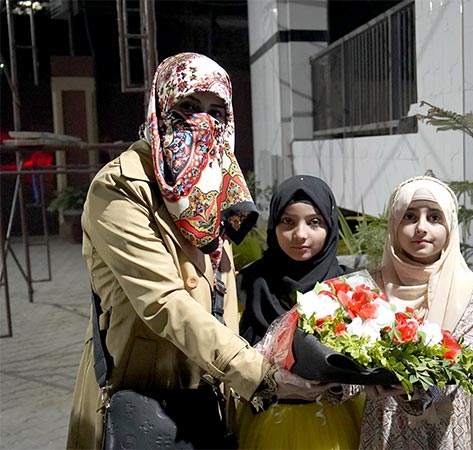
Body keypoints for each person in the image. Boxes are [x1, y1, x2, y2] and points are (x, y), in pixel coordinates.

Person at [66, 52, 324, 450]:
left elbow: (224, 300)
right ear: (161, 106)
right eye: (188, 106)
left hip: (206, 401)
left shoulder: (216, 188)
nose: (203, 122)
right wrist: (257, 374)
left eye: (216, 112)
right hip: (138, 399)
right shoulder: (120, 187)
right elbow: (163, 302)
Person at [359, 176, 473, 450]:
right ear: (394, 224)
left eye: (434, 217)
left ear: (450, 226)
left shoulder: (466, 290)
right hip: (384, 427)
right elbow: (354, 358)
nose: (421, 228)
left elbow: (461, 366)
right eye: (409, 217)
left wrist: (414, 393)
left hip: (442, 428)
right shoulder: (370, 286)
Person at [235, 174, 364, 449]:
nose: (300, 234)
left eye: (314, 222)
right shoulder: (250, 282)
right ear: (273, 225)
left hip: (333, 420)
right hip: (266, 420)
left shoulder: (349, 286)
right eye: (288, 222)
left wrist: (336, 383)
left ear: (330, 225)